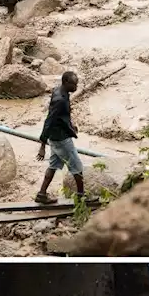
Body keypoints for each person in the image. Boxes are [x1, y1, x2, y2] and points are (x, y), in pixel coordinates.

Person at [35, 71, 84, 204]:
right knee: (77, 167)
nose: (76, 87)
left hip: (56, 137)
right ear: (66, 83)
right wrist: (42, 145)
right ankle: (82, 197)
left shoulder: (60, 91)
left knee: (53, 165)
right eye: (74, 84)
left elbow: (60, 117)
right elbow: (49, 120)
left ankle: (41, 194)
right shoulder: (60, 100)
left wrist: (70, 126)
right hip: (62, 140)